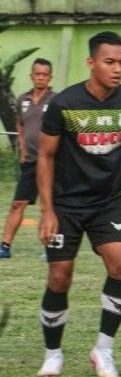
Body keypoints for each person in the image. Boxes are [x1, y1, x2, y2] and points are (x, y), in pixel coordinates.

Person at [35, 31, 121, 377]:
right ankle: (53, 353)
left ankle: (104, 350)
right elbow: (46, 157)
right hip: (65, 205)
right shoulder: (64, 104)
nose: (117, 69)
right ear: (91, 62)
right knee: (59, 276)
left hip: (107, 202)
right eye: (109, 62)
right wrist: (48, 211)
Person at [1, 58, 56, 259]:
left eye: (44, 74)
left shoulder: (56, 100)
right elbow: (20, 124)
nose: (40, 77)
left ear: (50, 77)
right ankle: (4, 247)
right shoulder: (23, 99)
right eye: (37, 73)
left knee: (47, 205)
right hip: (30, 162)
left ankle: (49, 248)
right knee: (17, 203)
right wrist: (22, 147)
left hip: (51, 163)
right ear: (31, 76)